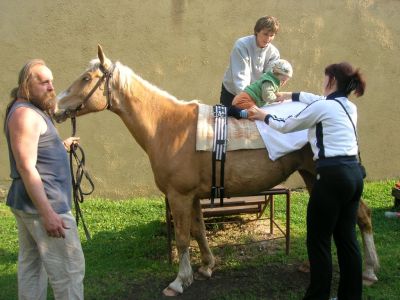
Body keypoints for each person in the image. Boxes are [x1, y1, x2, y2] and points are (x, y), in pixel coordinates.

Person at [248, 62, 366, 300]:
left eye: (324, 79)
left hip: (331, 178)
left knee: (318, 241)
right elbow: (315, 99)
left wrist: (262, 114)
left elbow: (288, 124)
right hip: (354, 176)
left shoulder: (323, 107)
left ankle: (317, 297)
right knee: (347, 240)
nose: (322, 83)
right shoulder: (349, 107)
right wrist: (289, 94)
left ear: (331, 81)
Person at [4, 59, 85, 300]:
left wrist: (60, 147)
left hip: (31, 205)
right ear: (27, 85)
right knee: (69, 271)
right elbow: (27, 167)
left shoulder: (28, 110)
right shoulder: (25, 116)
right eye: (44, 82)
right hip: (46, 207)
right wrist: (49, 214)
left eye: (51, 81)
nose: (51, 87)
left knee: (32, 268)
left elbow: (35, 153)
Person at [220, 15, 280, 107]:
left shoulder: (274, 53)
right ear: (257, 31)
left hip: (256, 97)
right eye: (265, 34)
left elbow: (268, 80)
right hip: (232, 93)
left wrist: (265, 100)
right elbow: (241, 76)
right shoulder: (242, 45)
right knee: (226, 120)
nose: (268, 39)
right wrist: (246, 101)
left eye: (272, 35)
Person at [228, 58, 293, 119]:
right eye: (283, 79)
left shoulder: (271, 79)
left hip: (245, 98)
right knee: (256, 113)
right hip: (244, 100)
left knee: (257, 112)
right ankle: (237, 112)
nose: (284, 82)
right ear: (277, 74)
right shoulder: (269, 82)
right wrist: (275, 99)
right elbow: (267, 96)